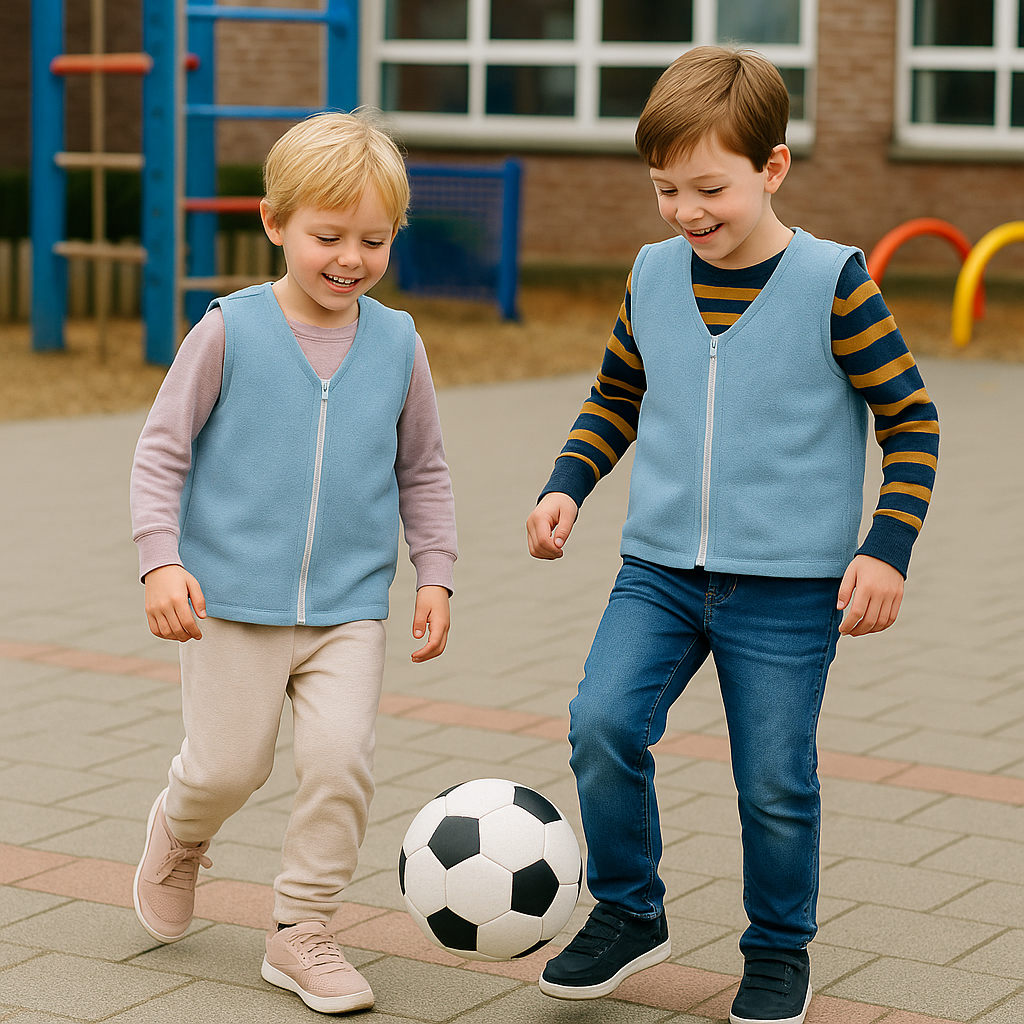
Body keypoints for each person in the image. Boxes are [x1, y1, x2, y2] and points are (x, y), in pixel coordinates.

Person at [526, 47, 938, 1024]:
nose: (685, 210)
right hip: (659, 572)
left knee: (773, 782)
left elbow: (911, 418)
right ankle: (630, 912)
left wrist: (885, 548)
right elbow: (615, 396)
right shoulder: (652, 274)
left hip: (789, 589)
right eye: (665, 188)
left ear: (773, 167)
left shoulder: (834, 283)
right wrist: (566, 484)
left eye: (709, 187)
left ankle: (778, 949)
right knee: (601, 723)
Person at [129, 111, 457, 1015]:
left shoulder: (398, 343)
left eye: (373, 240)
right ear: (274, 222)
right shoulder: (229, 330)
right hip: (230, 602)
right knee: (227, 769)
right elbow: (162, 452)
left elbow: (423, 468)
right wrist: (160, 562)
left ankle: (301, 927)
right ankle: (180, 832)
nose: (350, 259)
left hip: (349, 608)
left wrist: (435, 571)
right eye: (328, 236)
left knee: (340, 762)